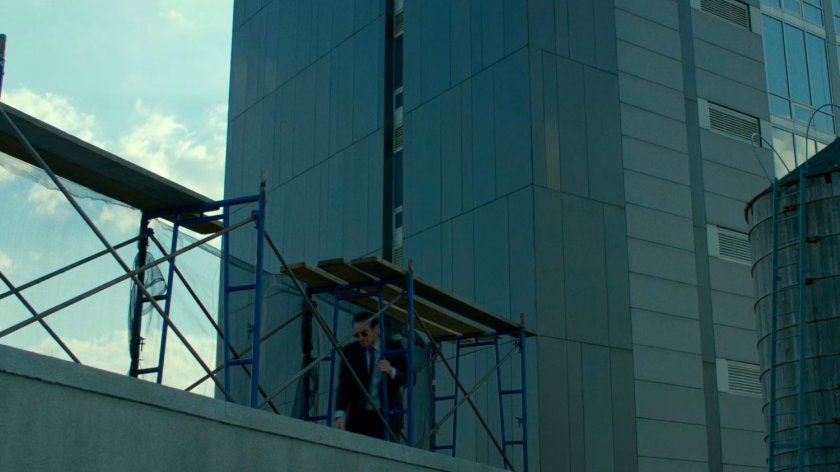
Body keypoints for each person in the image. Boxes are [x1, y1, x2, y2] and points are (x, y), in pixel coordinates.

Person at [334, 311, 406, 440]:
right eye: (357, 335)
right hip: (360, 415)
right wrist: (340, 413)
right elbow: (344, 385)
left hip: (386, 415)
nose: (360, 338)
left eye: (364, 333)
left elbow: (409, 378)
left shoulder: (394, 349)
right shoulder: (350, 352)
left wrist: (391, 371)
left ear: (376, 329)